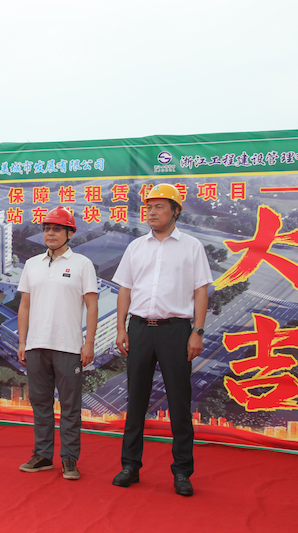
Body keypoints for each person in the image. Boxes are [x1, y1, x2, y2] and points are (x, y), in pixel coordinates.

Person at [111, 184, 212, 496]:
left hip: (175, 331)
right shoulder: (136, 247)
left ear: (175, 211)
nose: (151, 212)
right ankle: (130, 466)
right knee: (136, 401)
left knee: (179, 403)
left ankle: (182, 471)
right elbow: (125, 289)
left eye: (159, 207)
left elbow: (200, 291)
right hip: (140, 329)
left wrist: (197, 331)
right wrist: (121, 328)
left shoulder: (192, 247)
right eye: (149, 207)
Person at [16, 206, 99, 480]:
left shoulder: (82, 264)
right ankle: (42, 455)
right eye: (47, 229)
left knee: (70, 406)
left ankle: (69, 459)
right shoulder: (32, 264)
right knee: (40, 403)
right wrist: (22, 341)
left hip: (69, 346)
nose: (50, 233)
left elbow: (92, 305)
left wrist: (89, 343)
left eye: (57, 229)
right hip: (36, 345)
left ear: (70, 233)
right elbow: (24, 305)